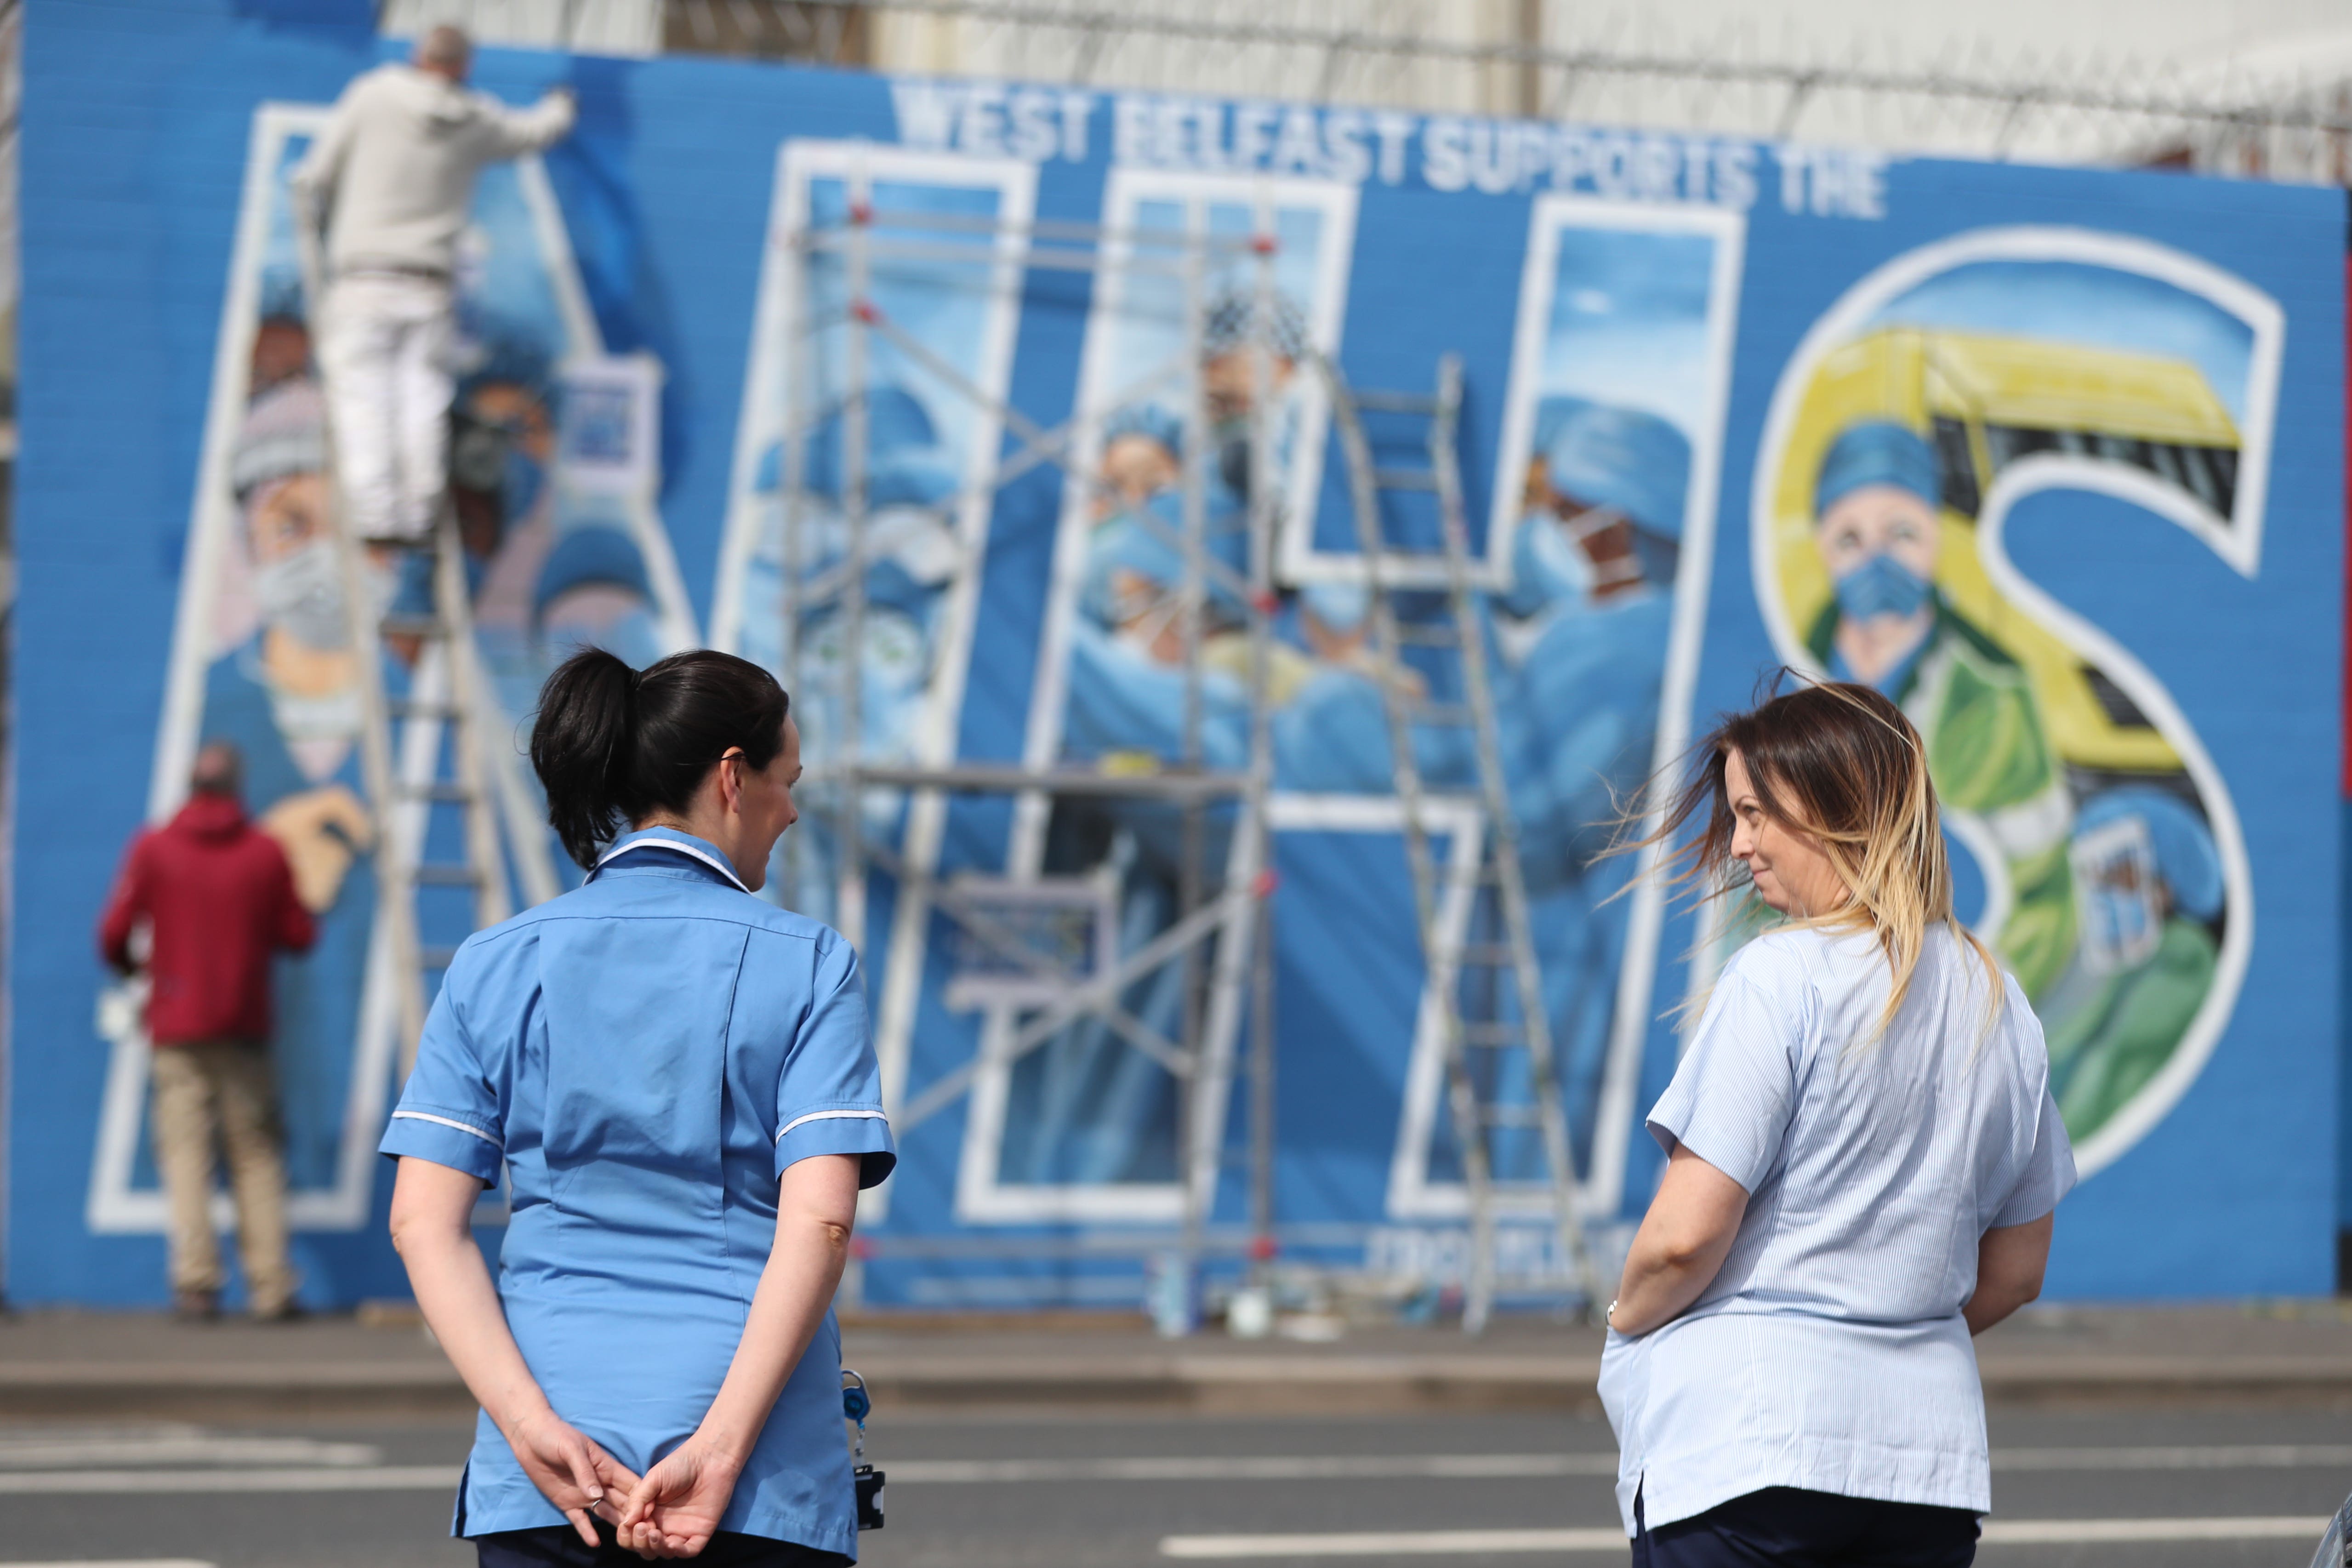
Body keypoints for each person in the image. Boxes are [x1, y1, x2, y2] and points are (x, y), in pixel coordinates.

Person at [381, 647, 893, 1565]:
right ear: (732, 777)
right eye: (788, 780)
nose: (793, 809)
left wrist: (529, 1426)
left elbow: (423, 1222)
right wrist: (722, 1447)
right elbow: (817, 1223)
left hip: (545, 1474)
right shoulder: (810, 961)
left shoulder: (492, 961)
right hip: (757, 1479)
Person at [1599, 681, 2076, 1566]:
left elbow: (1682, 1238)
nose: (1738, 845)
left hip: (1746, 1453)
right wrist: (1890, 1319)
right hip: (1925, 1471)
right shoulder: (1999, 1002)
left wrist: (1625, 1320)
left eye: (1752, 814)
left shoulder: (1778, 977)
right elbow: (2015, 1271)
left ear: (1828, 807)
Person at [1802, 420, 2073, 997]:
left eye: (1901, 534)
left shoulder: (1992, 696)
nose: (1876, 563)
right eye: (1850, 540)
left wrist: (1966, 1006)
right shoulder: (1790, 685)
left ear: (1935, 536)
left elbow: (2044, 898)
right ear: (1820, 547)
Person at [292, 25, 575, 546]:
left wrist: (315, 216)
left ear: (420, 56)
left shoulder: (373, 96)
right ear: (463, 66)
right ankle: (419, 513)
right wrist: (561, 106)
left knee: (364, 397)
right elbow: (532, 133)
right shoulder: (475, 117)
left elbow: (314, 177)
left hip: (365, 279)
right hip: (428, 287)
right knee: (422, 399)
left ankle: (377, 518)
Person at [97, 741, 316, 1321]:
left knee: (186, 1155)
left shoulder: (156, 848)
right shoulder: (265, 851)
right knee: (255, 1153)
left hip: (177, 1028)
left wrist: (137, 972)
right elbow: (298, 934)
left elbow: (113, 933)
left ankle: (197, 1285)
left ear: (191, 786)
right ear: (236, 787)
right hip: (245, 1027)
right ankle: (271, 1288)